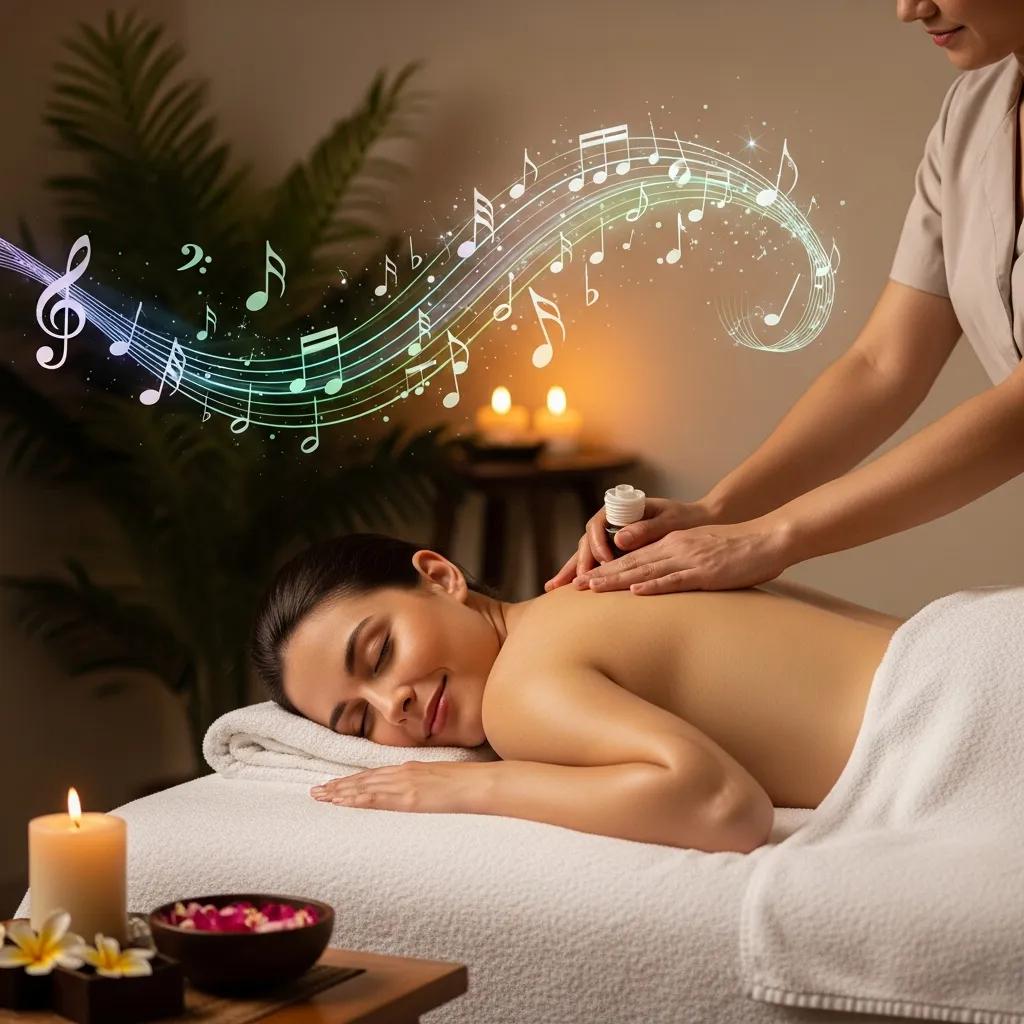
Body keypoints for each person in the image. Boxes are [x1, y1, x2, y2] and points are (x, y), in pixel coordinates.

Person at [545, 0, 1024, 598]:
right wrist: (719, 511)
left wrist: (771, 538)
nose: (909, 10)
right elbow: (882, 366)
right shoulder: (973, 112)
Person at [250, 533, 904, 854]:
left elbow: (725, 808)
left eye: (380, 653)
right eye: (360, 721)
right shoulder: (594, 589)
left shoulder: (518, 693)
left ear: (439, 575)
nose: (395, 705)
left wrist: (464, 787)